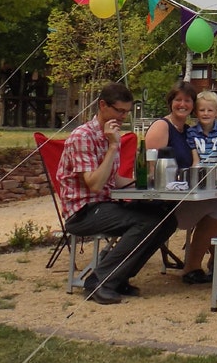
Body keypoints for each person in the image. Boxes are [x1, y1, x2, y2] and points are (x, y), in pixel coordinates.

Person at [57, 82, 177, 305]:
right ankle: (100, 282)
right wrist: (113, 147)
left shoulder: (112, 134)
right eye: (119, 111)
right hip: (83, 211)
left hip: (106, 203)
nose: (123, 117)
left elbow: (114, 181)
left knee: (166, 219)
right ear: (103, 105)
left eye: (127, 112)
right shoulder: (83, 136)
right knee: (145, 222)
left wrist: (148, 184)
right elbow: (94, 184)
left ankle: (119, 277)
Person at [144, 83, 217, 286]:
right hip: (165, 202)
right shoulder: (162, 126)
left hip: (187, 194)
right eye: (178, 100)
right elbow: (151, 169)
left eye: (187, 100)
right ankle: (209, 264)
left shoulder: (187, 131)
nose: (182, 104)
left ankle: (211, 263)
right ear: (170, 102)